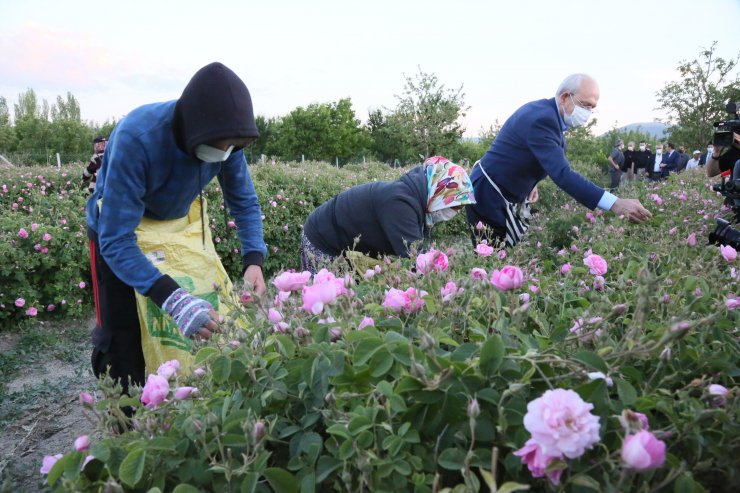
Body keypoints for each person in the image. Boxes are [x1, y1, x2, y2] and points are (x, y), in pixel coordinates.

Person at [86, 62, 266, 395]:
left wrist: (253, 259)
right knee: (121, 333)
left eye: (233, 147)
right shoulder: (138, 137)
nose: (224, 153)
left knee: (196, 310)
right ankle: (125, 420)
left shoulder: (227, 144)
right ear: (193, 130)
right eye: (220, 146)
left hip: (176, 225)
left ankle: (185, 397)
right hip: (120, 228)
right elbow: (115, 239)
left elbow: (244, 202)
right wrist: (171, 298)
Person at [466, 73, 651, 246]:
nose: (588, 113)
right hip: (489, 193)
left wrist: (533, 183)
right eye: (584, 105)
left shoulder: (550, 116)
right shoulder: (543, 119)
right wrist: (615, 203)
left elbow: (523, 150)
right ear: (564, 97)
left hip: (501, 191)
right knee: (493, 257)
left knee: (504, 255)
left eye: (592, 108)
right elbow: (563, 174)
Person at [301, 156, 475, 273]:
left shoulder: (411, 199)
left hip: (343, 243)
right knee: (329, 306)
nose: (455, 212)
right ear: (439, 192)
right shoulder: (400, 204)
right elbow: (414, 259)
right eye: (455, 205)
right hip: (323, 240)